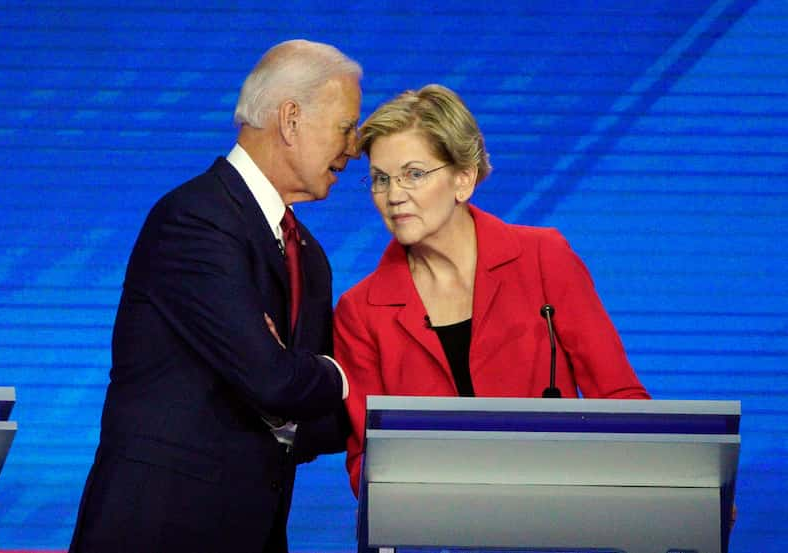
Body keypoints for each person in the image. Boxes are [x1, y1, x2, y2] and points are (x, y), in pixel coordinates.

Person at [69, 39, 362, 553]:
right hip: (156, 532)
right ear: (290, 120)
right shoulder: (196, 220)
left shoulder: (309, 257)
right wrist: (336, 373)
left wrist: (308, 380)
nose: (355, 147)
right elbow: (274, 380)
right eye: (345, 127)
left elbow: (308, 416)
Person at [333, 84, 650, 497]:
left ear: (463, 178)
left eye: (413, 174)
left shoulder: (543, 258)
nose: (394, 195)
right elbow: (365, 462)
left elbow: (616, 394)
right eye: (380, 179)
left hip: (557, 517)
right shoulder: (361, 311)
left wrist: (680, 484)